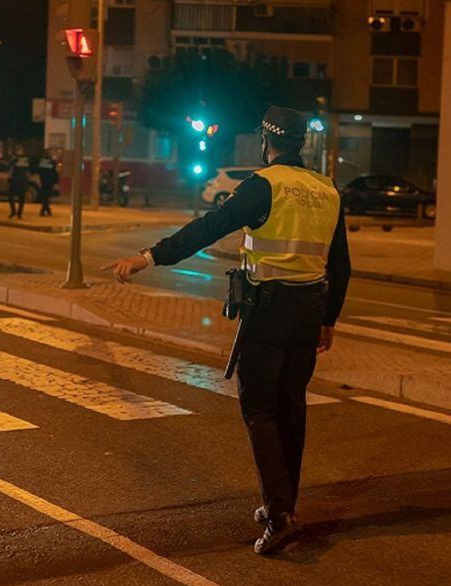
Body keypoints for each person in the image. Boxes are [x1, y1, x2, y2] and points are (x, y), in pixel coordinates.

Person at [106, 105, 351, 556]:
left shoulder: (264, 186)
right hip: (308, 310)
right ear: (301, 143)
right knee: (291, 406)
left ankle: (281, 519)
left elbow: (209, 227)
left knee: (259, 408)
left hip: (269, 311)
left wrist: (148, 257)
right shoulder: (327, 188)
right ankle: (283, 501)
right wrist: (328, 319)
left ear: (267, 142)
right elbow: (341, 264)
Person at [7, 145, 31, 219]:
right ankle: (16, 212)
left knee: (19, 197)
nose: (19, 151)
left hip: (18, 180)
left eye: (19, 150)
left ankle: (17, 213)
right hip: (18, 180)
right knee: (16, 197)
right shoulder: (23, 159)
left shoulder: (16, 159)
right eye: (18, 150)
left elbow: (8, 166)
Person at [36, 150, 59, 217]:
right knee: (46, 197)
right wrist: (56, 182)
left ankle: (45, 211)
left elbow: (39, 171)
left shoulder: (41, 162)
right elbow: (55, 173)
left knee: (45, 196)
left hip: (43, 181)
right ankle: (46, 211)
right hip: (49, 181)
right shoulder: (52, 162)